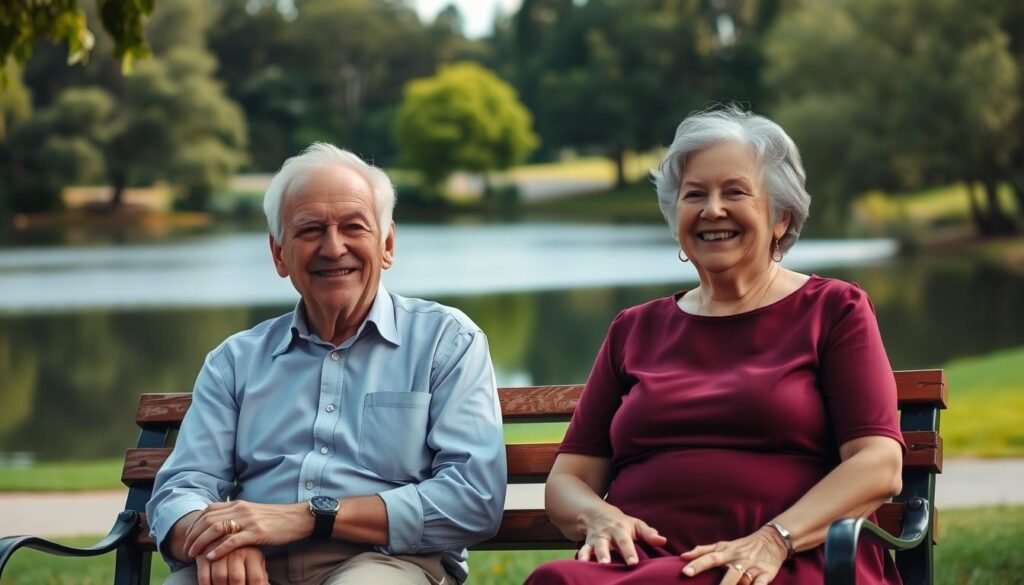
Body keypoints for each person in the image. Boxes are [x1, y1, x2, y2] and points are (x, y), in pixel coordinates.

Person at [525, 107, 905, 585]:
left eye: (735, 192)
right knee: (557, 581)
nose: (712, 210)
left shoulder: (834, 310)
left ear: (781, 217)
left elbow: (879, 464)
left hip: (784, 561)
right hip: (645, 563)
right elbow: (567, 481)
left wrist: (774, 539)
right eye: (694, 195)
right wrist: (597, 516)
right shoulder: (634, 329)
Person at [146, 143, 506, 585]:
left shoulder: (447, 342)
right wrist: (217, 538)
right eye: (311, 230)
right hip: (255, 565)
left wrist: (311, 517)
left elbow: (474, 498)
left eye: (353, 227)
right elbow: (182, 485)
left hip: (388, 565)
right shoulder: (234, 362)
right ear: (279, 254)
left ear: (387, 244)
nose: (333, 248)